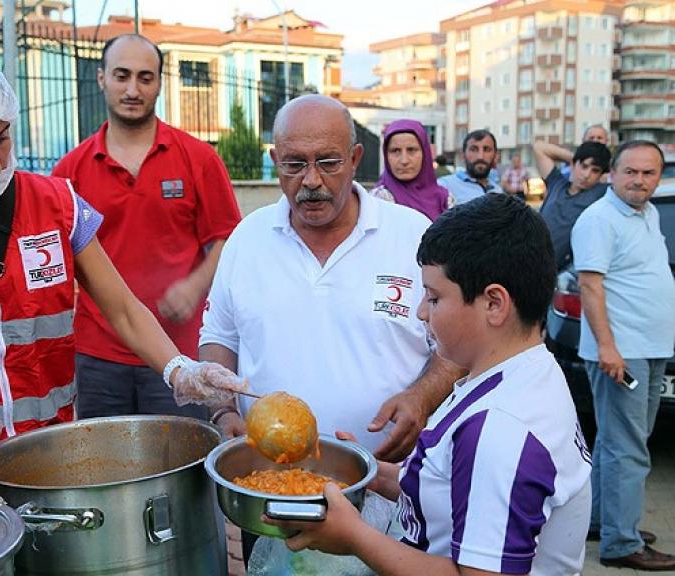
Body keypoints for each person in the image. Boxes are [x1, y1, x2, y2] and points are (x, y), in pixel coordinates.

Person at [0, 47, 244, 495]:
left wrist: (179, 369)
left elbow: (124, 309)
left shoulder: (55, 204)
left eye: (2, 138)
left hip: (51, 459)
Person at [266, 194, 593, 576]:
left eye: (434, 297)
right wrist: (369, 473)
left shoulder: (500, 429)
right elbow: (447, 488)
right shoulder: (516, 372)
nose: (420, 311)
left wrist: (354, 536)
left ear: (494, 304)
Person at [200, 93, 464, 564]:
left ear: (357, 158)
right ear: (274, 160)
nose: (312, 181)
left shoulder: (411, 235)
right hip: (275, 491)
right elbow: (218, 337)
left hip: (388, 486)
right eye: (294, 165)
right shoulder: (248, 238)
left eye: (328, 162)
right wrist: (223, 413)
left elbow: (458, 347)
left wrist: (422, 396)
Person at [51, 34, 241, 421]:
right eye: (122, 76)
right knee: (103, 473)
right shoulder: (69, 172)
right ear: (102, 78)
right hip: (98, 356)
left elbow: (229, 239)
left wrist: (194, 285)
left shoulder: (199, 159)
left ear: (159, 83)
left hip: (180, 353)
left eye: (145, 77)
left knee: (182, 470)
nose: (133, 89)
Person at [571, 140, 675, 570]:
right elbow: (591, 286)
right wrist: (608, 348)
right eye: (630, 171)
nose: (639, 180)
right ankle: (622, 543)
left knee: (618, 444)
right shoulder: (599, 219)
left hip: (648, 349)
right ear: (613, 173)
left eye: (649, 173)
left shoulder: (647, 214)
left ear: (659, 177)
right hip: (622, 353)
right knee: (627, 449)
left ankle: (603, 523)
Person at [534, 140, 611, 271]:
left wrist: (583, 161)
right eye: (584, 166)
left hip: (552, 271)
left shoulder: (601, 193)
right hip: (523, 254)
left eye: (595, 170)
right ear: (573, 165)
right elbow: (539, 147)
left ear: (600, 175)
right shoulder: (557, 183)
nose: (587, 175)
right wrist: (575, 157)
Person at [368, 119, 450, 221]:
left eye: (411, 150)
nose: (404, 160)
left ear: (425, 153)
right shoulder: (379, 199)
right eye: (395, 151)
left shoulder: (444, 199)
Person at [437, 129, 502, 205]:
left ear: (496, 155)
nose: (480, 156)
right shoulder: (444, 187)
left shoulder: (498, 191)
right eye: (473, 150)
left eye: (487, 150)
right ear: (463, 155)